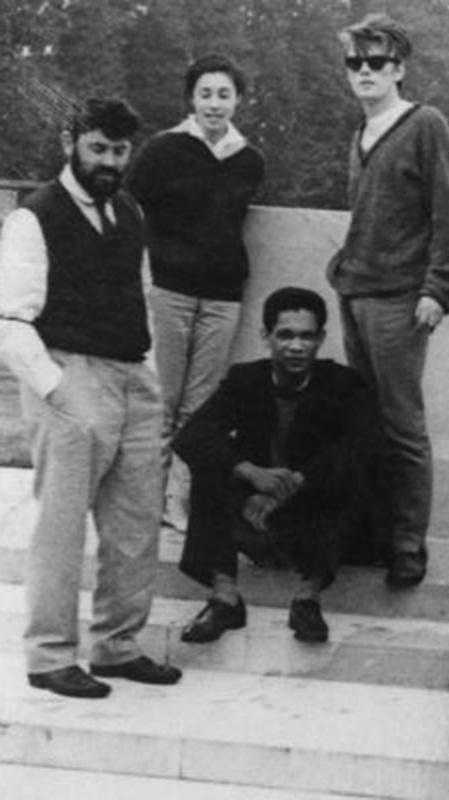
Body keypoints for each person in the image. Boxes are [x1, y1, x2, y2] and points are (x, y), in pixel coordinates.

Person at [0, 98, 181, 697]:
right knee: (61, 525)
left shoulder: (128, 210)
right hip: (69, 374)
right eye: (97, 148)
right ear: (71, 142)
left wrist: (149, 375)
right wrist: (58, 389)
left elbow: (143, 295)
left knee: (134, 526)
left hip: (133, 379)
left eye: (120, 150)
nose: (108, 161)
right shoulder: (36, 216)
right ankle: (50, 656)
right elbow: (9, 320)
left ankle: (117, 645)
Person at [327, 13, 449, 589]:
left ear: (399, 69)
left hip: (400, 299)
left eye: (376, 62)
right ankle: (373, 532)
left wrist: (438, 288)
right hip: (354, 292)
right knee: (365, 423)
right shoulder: (357, 136)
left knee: (403, 424)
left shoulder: (425, 124)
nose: (364, 72)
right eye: (355, 63)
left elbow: (448, 210)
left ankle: (409, 543)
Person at [172, 287, 377, 644]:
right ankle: (225, 597)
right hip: (252, 513)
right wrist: (250, 473)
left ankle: (308, 598)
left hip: (311, 517)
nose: (296, 346)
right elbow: (192, 435)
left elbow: (369, 447)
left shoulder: (343, 384)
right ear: (266, 337)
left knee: (351, 465)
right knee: (213, 460)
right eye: (285, 335)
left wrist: (290, 485)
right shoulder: (245, 379)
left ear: (321, 339)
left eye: (306, 336)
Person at [126, 54, 266, 530]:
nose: (214, 104)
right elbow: (127, 210)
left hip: (223, 297)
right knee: (161, 402)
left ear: (238, 101)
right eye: (205, 94)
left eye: (224, 94)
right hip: (169, 292)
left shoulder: (249, 159)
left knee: (200, 407)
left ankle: (179, 502)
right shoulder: (162, 150)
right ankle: (146, 500)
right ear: (191, 98)